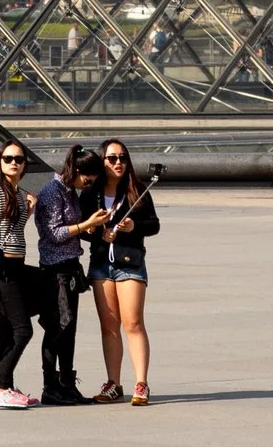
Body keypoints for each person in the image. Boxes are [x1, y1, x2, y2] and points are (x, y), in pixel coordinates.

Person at [87, 137, 159, 406]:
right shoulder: (91, 193)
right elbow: (83, 227)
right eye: (112, 158)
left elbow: (153, 225)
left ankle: (141, 384)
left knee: (133, 322)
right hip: (101, 265)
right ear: (102, 161)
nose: (119, 163)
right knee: (109, 327)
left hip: (129, 262)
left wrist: (133, 227)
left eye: (123, 158)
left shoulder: (137, 190)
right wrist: (96, 231)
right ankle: (113, 384)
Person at [0, 141, 43, 409]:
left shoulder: (20, 192)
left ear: (25, 164)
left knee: (8, 329)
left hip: (18, 266)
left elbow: (13, 231)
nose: (14, 162)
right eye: (8, 158)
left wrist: (29, 210)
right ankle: (0, 386)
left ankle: (8, 386)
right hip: (0, 268)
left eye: (19, 159)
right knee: (23, 330)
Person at [33, 144, 105, 405]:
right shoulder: (52, 192)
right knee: (57, 327)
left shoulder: (70, 191)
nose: (88, 184)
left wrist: (91, 230)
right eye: (87, 179)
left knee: (69, 328)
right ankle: (50, 386)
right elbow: (53, 233)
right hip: (55, 270)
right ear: (75, 170)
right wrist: (86, 225)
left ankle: (66, 383)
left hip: (70, 266)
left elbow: (71, 229)